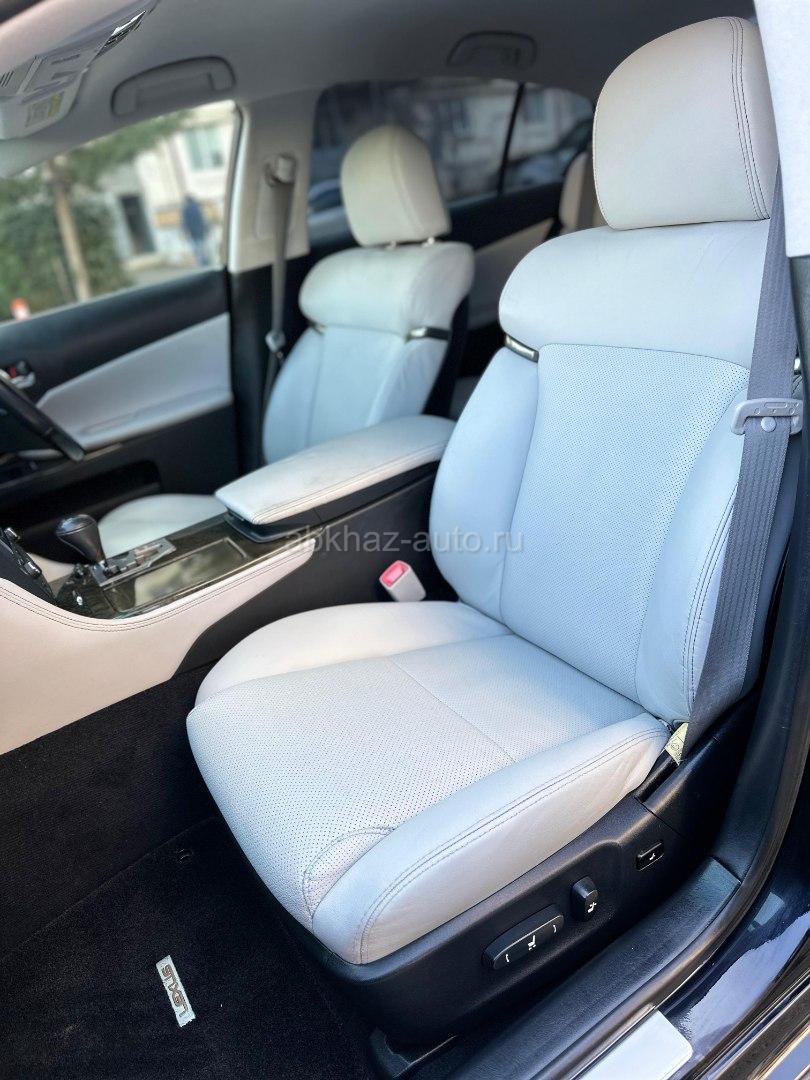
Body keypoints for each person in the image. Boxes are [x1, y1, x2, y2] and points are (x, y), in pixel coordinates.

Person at [181, 194, 209, 267]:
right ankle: (205, 260)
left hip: (192, 232)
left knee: (196, 248)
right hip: (200, 230)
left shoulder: (186, 209)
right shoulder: (198, 207)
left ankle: (201, 262)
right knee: (202, 245)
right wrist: (207, 230)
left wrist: (184, 232)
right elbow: (204, 219)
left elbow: (185, 223)